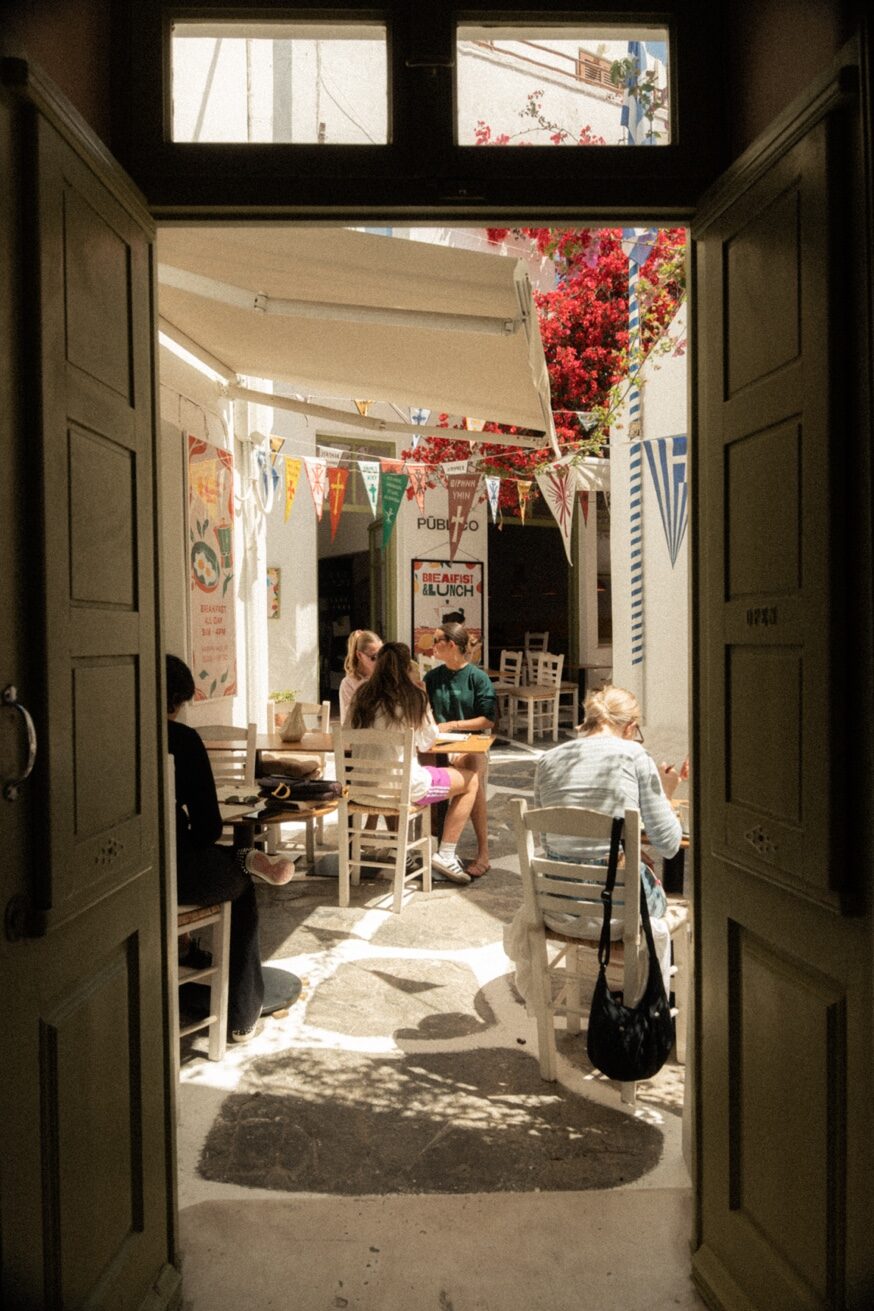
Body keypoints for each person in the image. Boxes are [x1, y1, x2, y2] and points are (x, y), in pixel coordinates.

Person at [166, 654, 295, 1043]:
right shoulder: (183, 741)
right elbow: (207, 828)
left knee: (211, 859)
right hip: (178, 874)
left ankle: (244, 860)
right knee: (241, 888)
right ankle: (240, 1018)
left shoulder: (102, 736)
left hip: (121, 873)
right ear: (177, 701)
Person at [530, 684, 685, 987]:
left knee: (633, 867)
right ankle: (644, 991)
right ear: (630, 727)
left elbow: (549, 842)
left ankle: (616, 982)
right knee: (646, 879)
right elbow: (669, 845)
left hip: (557, 905)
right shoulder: (634, 755)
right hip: (615, 914)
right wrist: (666, 794)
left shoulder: (546, 761)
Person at [349, 642, 478, 884]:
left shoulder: (361, 695)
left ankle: (402, 850)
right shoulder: (413, 697)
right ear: (407, 666)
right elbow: (426, 741)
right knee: (471, 780)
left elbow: (347, 733)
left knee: (393, 780)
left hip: (361, 789)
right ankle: (446, 854)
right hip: (402, 788)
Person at [424, 622, 497, 878]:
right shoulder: (432, 678)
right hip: (437, 743)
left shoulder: (478, 678)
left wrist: (453, 726)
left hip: (470, 743)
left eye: (436, 641)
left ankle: (483, 853)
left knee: (473, 767)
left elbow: (487, 720)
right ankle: (429, 846)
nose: (432, 646)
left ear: (451, 645)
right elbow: (424, 712)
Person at [339, 629, 383, 725]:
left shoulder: (386, 677)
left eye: (382, 655)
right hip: (359, 735)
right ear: (359, 655)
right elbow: (349, 720)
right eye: (374, 657)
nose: (380, 661)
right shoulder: (349, 683)